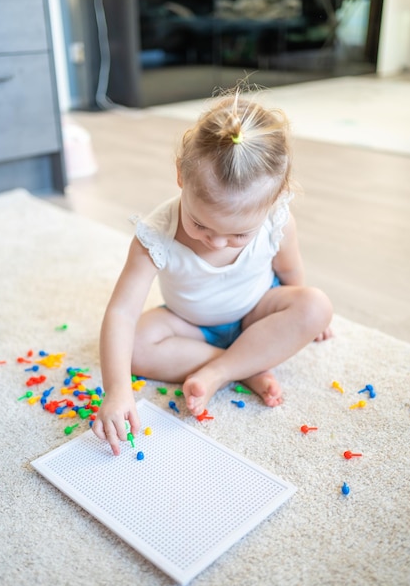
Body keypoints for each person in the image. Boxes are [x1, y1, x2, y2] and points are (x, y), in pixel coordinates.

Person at [93, 91, 333, 455]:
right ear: (180, 176)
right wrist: (117, 390)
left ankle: (220, 371)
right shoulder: (154, 236)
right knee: (137, 348)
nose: (219, 243)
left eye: (239, 235)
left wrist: (302, 318)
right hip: (190, 324)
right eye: (200, 224)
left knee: (316, 305)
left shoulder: (278, 221)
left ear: (275, 198)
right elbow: (121, 313)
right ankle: (246, 364)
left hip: (256, 312)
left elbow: (290, 271)